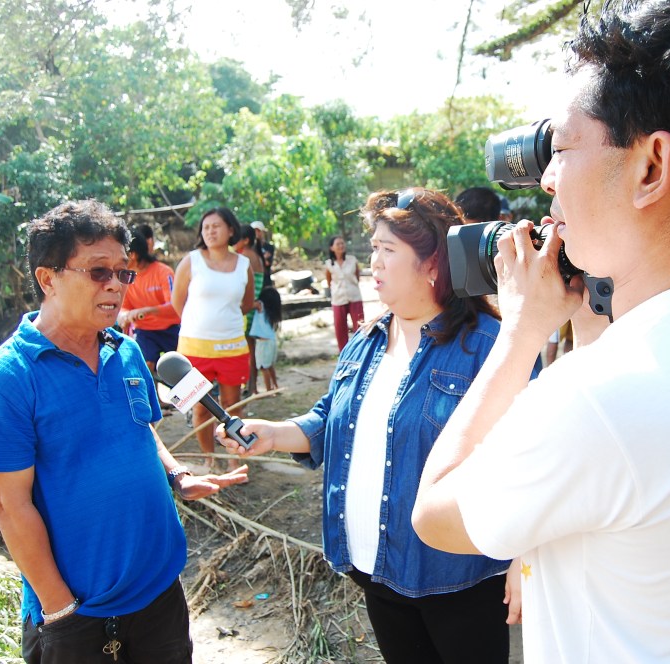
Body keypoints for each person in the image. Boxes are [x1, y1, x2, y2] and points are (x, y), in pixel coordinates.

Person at [412, 2, 670, 662]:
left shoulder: (599, 401)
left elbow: (433, 513)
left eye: (561, 147)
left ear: (652, 166)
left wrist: (521, 331)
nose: (544, 179)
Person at [220, 188, 539, 663]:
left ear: (433, 265)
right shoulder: (367, 339)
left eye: (388, 251)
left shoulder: (492, 347)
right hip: (376, 566)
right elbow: (328, 418)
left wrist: (525, 557)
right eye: (374, 249)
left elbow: (532, 455)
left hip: (460, 576)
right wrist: (273, 433)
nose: (375, 262)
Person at [0, 199, 248, 664]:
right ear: (47, 278)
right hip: (79, 615)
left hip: (159, 592)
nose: (115, 285)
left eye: (122, 272)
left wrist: (177, 475)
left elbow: (140, 431)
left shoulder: (127, 351)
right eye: (98, 272)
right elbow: (9, 507)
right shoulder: (4, 380)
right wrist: (60, 610)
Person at [172, 207, 255, 470]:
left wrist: (223, 322)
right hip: (193, 349)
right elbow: (177, 303)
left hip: (232, 348)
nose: (210, 231)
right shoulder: (190, 261)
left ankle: (234, 460)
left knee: (233, 407)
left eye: (216, 226)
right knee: (200, 409)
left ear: (231, 230)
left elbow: (247, 303)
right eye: (205, 227)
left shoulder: (244, 264)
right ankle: (209, 460)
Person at [117, 231, 181, 374]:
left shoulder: (163, 272)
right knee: (146, 366)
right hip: (144, 331)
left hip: (171, 329)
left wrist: (147, 311)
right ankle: (153, 396)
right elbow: (124, 308)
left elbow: (174, 305)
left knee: (182, 368)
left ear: (132, 254)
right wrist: (124, 316)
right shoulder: (126, 278)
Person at [235, 225, 266, 394]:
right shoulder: (255, 255)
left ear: (245, 240)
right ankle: (251, 386)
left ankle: (251, 387)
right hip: (252, 306)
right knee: (250, 348)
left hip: (249, 308)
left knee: (249, 349)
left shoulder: (245, 258)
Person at [324, 235, 365, 351]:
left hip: (354, 297)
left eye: (342, 243)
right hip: (338, 299)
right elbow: (329, 281)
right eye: (338, 244)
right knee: (340, 329)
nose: (341, 246)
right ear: (332, 248)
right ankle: (344, 353)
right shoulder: (329, 264)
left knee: (360, 326)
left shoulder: (352, 260)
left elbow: (357, 276)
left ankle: (360, 351)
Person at [249, 286, 282, 392]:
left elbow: (249, 305)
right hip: (271, 341)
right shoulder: (272, 311)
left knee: (263, 367)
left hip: (263, 343)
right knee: (270, 366)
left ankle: (268, 390)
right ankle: (275, 386)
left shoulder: (260, 305)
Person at [251, 220, 276, 290]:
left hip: (266, 280)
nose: (257, 233)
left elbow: (267, 263)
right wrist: (263, 257)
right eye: (254, 231)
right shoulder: (249, 248)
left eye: (258, 231)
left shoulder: (269, 247)